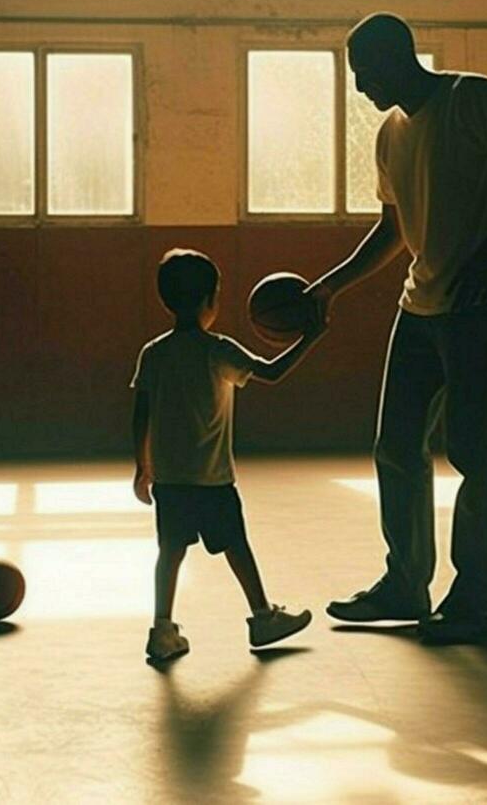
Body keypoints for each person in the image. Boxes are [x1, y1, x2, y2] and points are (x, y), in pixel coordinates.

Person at [307, 12, 487, 645]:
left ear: (397, 57)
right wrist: (330, 284)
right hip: (420, 303)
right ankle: (406, 584)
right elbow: (394, 229)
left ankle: (475, 601)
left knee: (473, 450)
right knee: (396, 446)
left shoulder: (470, 96)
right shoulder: (391, 134)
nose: (361, 87)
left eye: (365, 72)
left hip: (481, 301)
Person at [132, 248, 323, 663]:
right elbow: (271, 372)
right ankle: (262, 616)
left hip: (170, 479)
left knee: (169, 553)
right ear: (209, 301)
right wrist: (311, 337)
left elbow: (140, 414)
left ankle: (161, 629)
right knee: (236, 545)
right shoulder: (219, 350)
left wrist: (141, 467)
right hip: (213, 479)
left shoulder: (153, 353)